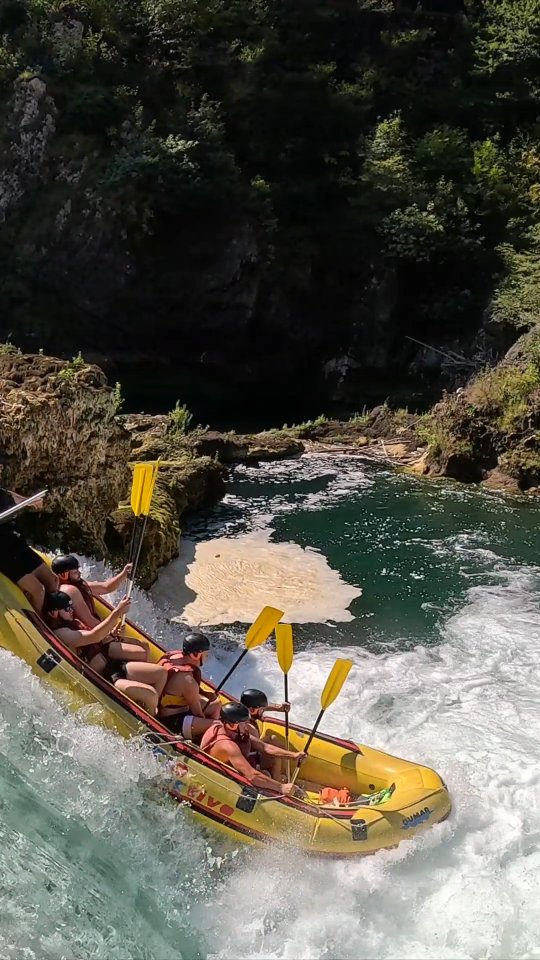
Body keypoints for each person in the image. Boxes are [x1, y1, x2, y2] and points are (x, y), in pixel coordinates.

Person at [43, 591, 167, 715]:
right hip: (106, 679)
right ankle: (151, 720)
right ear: (54, 613)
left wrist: (113, 634)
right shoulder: (62, 633)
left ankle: (154, 711)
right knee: (151, 693)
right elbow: (94, 636)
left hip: (114, 666)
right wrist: (117, 612)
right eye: (66, 609)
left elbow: (99, 639)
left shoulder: (73, 622)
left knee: (161, 673)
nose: (71, 611)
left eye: (71, 607)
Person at [52, 554, 148, 664]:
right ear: (64, 575)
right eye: (75, 572)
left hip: (99, 633)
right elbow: (90, 621)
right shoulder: (70, 591)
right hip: (94, 639)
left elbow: (106, 587)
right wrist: (111, 633)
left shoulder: (79, 584)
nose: (79, 573)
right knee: (142, 651)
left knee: (144, 645)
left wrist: (124, 573)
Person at [200, 702, 306, 797]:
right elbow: (252, 775)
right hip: (219, 777)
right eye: (245, 723)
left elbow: (265, 747)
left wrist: (293, 755)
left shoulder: (229, 729)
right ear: (232, 725)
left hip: (234, 765)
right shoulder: (228, 746)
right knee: (265, 775)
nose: (247, 726)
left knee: (270, 748)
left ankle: (277, 779)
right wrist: (281, 787)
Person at [0, 481, 58, 613]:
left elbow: (16, 499)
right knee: (38, 590)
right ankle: (39, 628)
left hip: (17, 544)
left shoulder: (2, 491)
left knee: (52, 580)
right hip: (3, 553)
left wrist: (31, 502)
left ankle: (54, 616)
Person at [157, 632, 221, 740]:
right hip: (173, 721)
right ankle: (201, 742)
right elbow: (198, 714)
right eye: (206, 655)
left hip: (171, 708)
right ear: (195, 655)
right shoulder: (188, 680)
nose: (207, 658)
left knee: (216, 704)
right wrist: (205, 723)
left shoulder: (172, 656)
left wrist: (204, 693)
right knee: (218, 725)